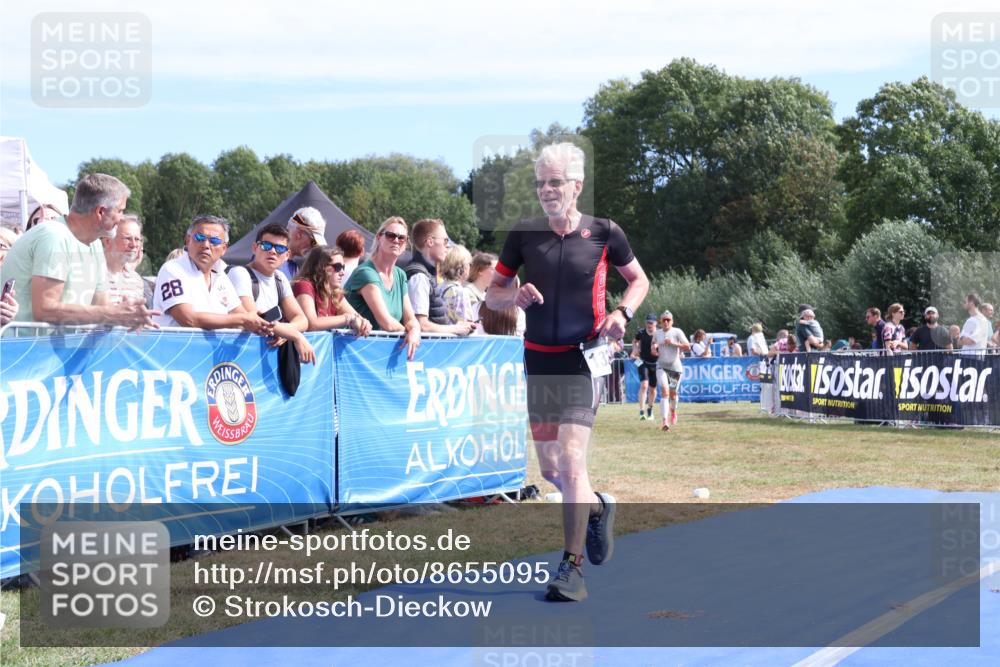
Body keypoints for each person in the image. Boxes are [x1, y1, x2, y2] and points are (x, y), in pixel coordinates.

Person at [486, 142, 649, 602]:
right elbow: (493, 293)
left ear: (576, 186)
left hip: (583, 357)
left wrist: (623, 313)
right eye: (540, 183)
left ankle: (571, 568)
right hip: (539, 359)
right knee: (553, 469)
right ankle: (598, 508)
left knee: (573, 459)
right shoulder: (523, 234)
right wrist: (511, 297)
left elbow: (639, 280)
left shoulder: (604, 232)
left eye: (554, 182)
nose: (546, 190)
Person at [0, 173, 157, 328]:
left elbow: (102, 306)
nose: (121, 218)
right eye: (120, 210)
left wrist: (129, 316)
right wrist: (114, 315)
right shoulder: (54, 237)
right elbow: (44, 310)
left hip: (58, 350)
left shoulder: (95, 244)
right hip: (24, 350)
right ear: (101, 212)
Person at [152, 215, 272, 334]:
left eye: (214, 241)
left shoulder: (222, 276)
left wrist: (268, 328)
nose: (206, 245)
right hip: (174, 351)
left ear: (224, 248)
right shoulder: (172, 269)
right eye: (199, 237)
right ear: (187, 241)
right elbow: (189, 320)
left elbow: (241, 315)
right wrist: (243, 319)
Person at [227, 223, 316, 363]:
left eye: (280, 248)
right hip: (238, 357)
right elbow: (256, 321)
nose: (273, 252)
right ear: (255, 248)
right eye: (266, 246)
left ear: (287, 255)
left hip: (264, 358)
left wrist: (286, 331)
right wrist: (295, 335)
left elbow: (302, 320)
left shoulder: (280, 278)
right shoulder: (240, 273)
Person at [344, 216, 420, 359]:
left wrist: (415, 330)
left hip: (379, 353)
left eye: (401, 238)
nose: (396, 241)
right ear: (379, 237)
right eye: (391, 236)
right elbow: (387, 323)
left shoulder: (400, 275)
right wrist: (409, 332)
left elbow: (410, 318)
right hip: (354, 352)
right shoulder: (366, 273)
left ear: (406, 244)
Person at [405, 218, 475, 336]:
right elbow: (421, 324)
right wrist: (455, 329)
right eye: (445, 240)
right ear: (430, 242)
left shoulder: (427, 274)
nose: (448, 246)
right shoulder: (419, 277)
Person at [293, 246, 372, 336]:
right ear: (320, 267)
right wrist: (348, 318)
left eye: (343, 267)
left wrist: (364, 323)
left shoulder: (335, 292)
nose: (342, 272)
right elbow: (312, 324)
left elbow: (357, 318)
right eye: (337, 267)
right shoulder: (304, 285)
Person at [653, 310, 691, 431]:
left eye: (668, 320)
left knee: (673, 393)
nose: (666, 322)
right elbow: (653, 347)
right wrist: (653, 349)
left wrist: (673, 343)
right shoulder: (656, 333)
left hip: (674, 367)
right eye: (663, 320)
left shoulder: (677, 332)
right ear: (660, 321)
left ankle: (673, 411)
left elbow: (688, 346)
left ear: (672, 321)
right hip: (661, 366)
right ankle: (665, 421)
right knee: (665, 391)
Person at [102, 214, 146, 306]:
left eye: (137, 239)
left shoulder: (136, 280)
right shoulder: (91, 272)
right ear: (107, 241)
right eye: (127, 238)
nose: (134, 244)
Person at [279, 207, 327, 281]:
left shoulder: (293, 267)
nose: (313, 247)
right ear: (299, 234)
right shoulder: (273, 260)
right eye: (313, 242)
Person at [631, 314, 660, 421]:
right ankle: (642, 411)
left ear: (656, 323)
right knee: (644, 385)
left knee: (653, 389)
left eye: (651, 323)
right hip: (643, 362)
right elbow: (635, 341)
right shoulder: (641, 333)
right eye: (648, 322)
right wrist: (635, 350)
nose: (649, 325)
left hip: (656, 364)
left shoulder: (660, 333)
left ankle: (650, 410)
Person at [436, 244, 475, 324]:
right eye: (469, 264)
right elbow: (465, 324)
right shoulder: (459, 292)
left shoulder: (438, 288)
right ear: (462, 267)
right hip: (454, 335)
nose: (470, 268)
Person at [465, 251, 498, 321]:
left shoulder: (486, 296)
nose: (497, 273)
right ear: (480, 270)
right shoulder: (466, 293)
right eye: (494, 269)